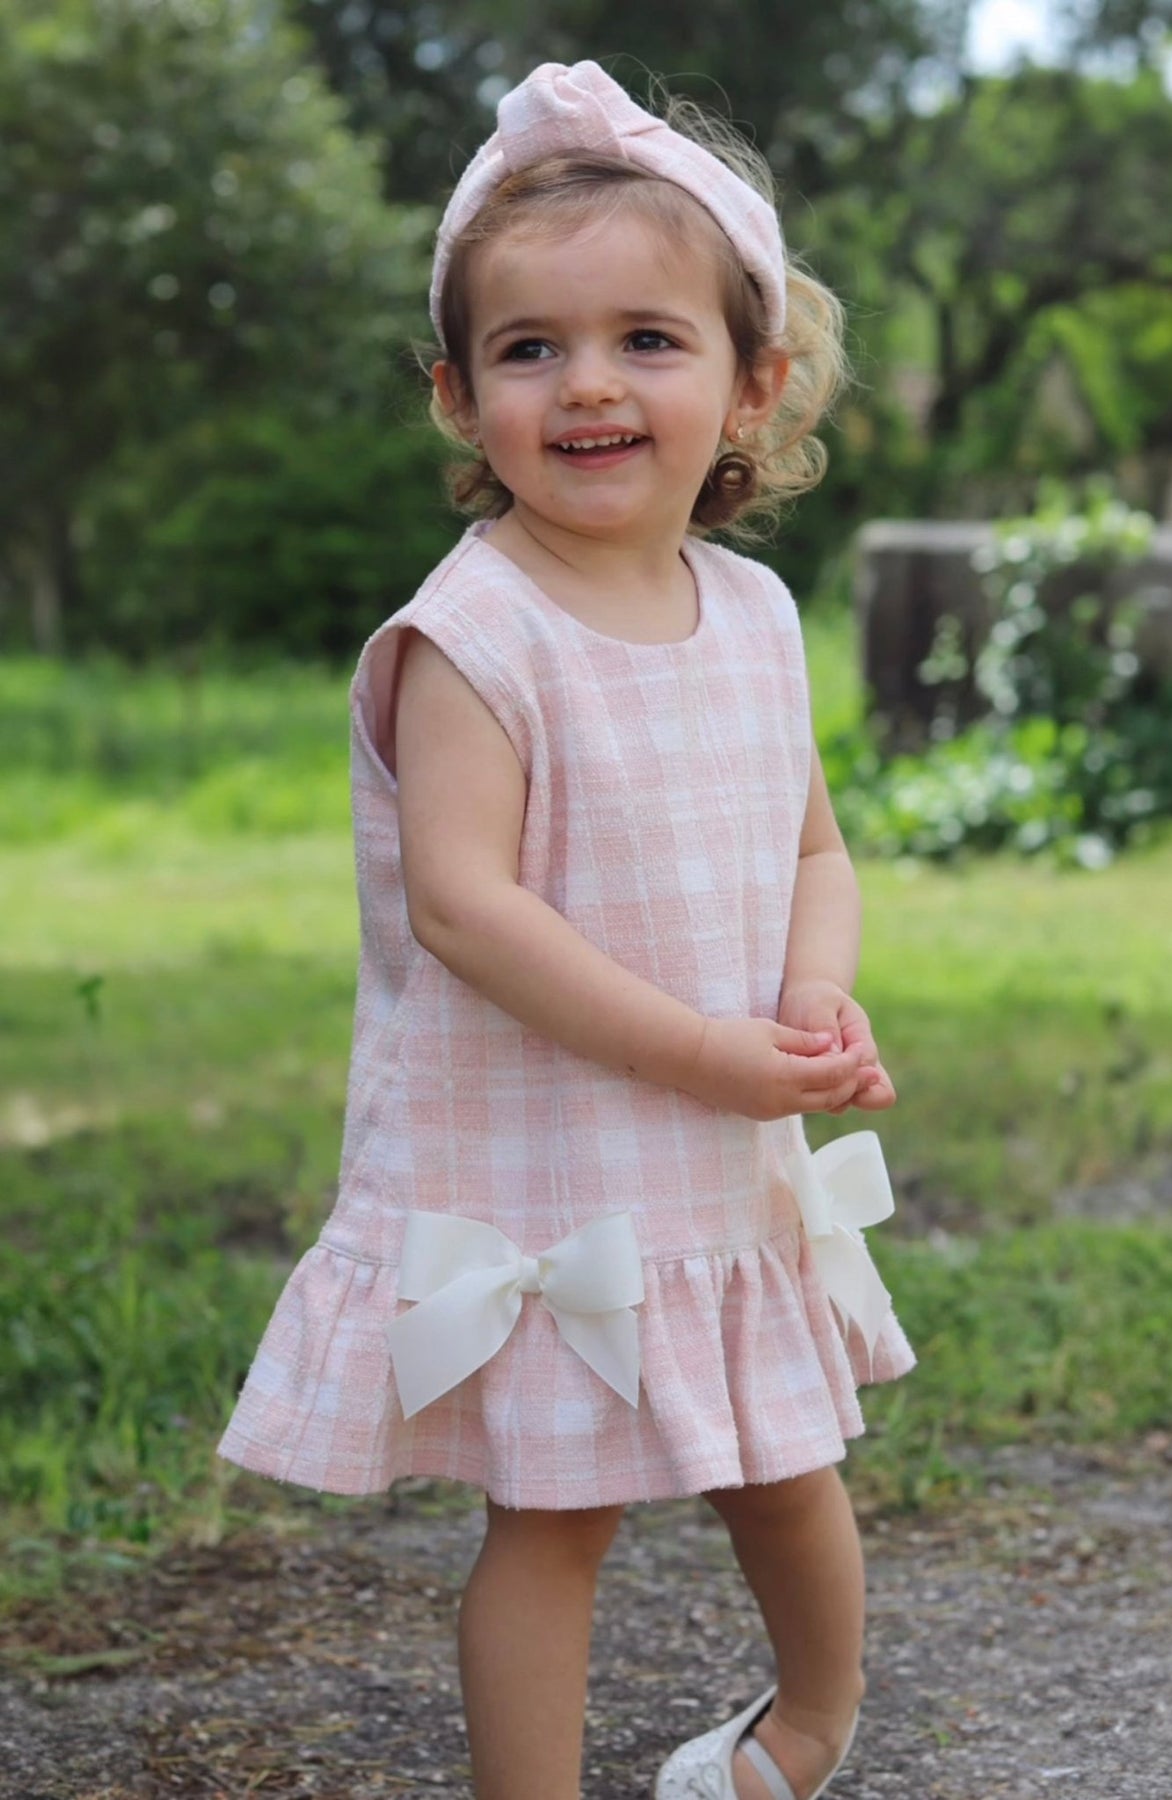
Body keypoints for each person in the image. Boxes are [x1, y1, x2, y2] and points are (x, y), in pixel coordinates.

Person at [218, 59, 916, 1800]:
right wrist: (704, 1052)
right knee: (554, 1518)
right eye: (530, 349)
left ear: (751, 382)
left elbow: (812, 846)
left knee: (783, 1463)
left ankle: (806, 1725)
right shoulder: (473, 636)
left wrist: (810, 991)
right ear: (460, 398)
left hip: (720, 1149)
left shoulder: (753, 613)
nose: (587, 382)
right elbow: (464, 906)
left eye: (646, 340)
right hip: (548, 1163)